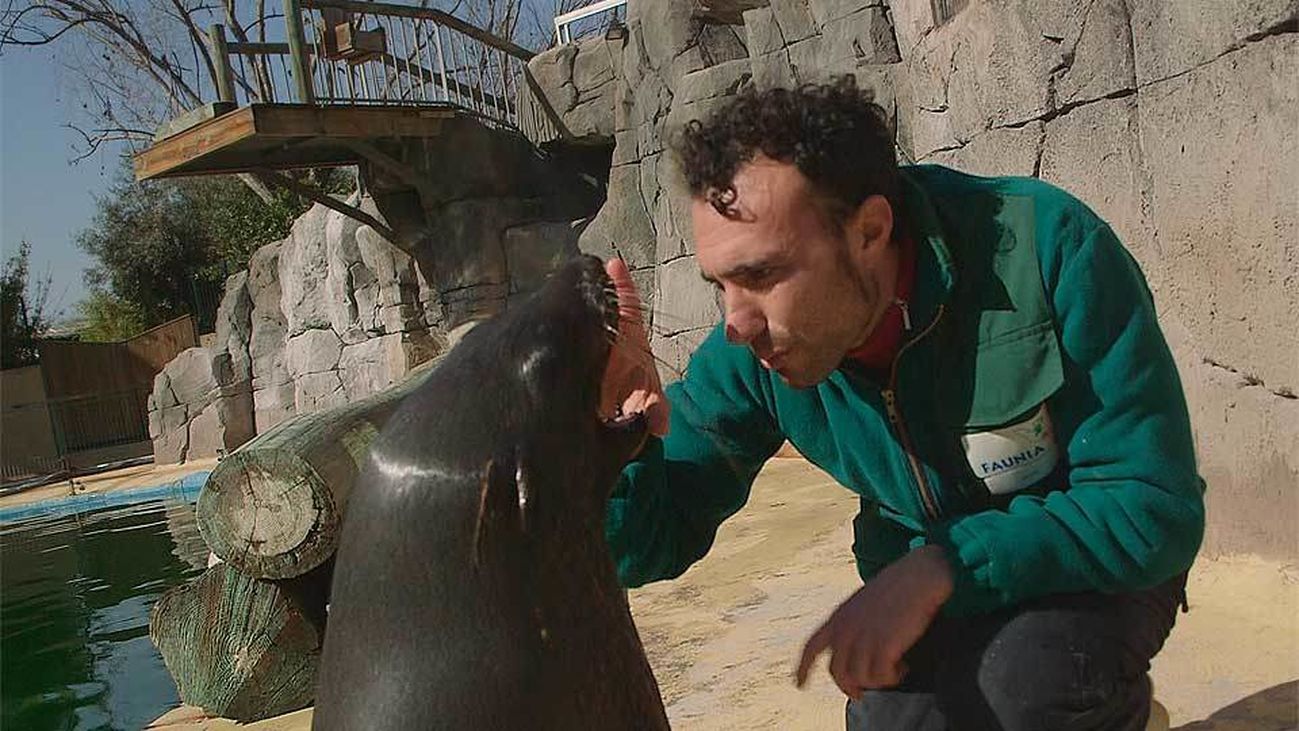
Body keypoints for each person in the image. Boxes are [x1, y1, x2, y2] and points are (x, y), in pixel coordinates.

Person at [598, 76, 1203, 731]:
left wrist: (946, 563)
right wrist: (614, 437)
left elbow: (1152, 508)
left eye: (760, 275)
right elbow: (642, 549)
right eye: (719, 283)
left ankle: (1109, 707)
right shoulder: (748, 353)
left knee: (1023, 691)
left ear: (869, 230)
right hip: (925, 590)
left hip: (1092, 569)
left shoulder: (1046, 247)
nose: (734, 322)